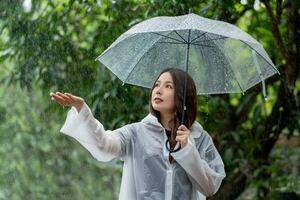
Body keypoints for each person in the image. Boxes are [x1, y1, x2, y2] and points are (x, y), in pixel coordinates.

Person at [50, 68, 226, 200]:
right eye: (156, 85)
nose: (158, 90)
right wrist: (82, 110)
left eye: (168, 86)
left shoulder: (199, 138)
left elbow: (209, 187)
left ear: (183, 95)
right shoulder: (135, 133)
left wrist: (188, 149)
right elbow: (103, 145)